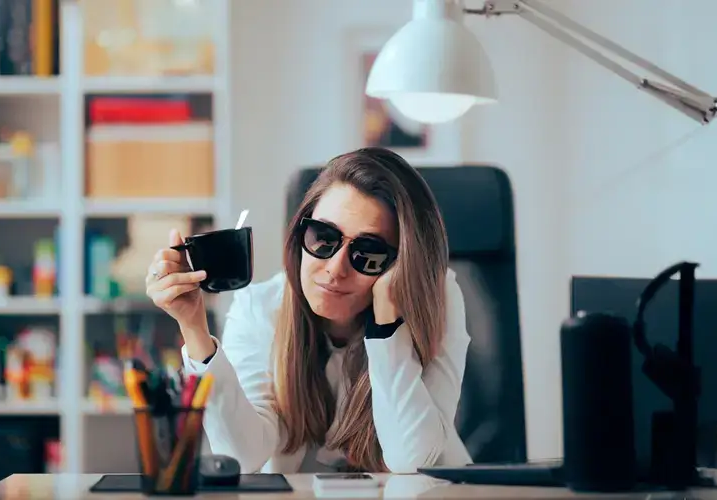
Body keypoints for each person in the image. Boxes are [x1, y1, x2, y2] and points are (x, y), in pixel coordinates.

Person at [144, 147, 472, 474]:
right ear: (300, 232)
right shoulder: (261, 308)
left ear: (401, 264)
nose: (335, 268)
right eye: (323, 238)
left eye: (368, 253)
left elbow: (411, 459)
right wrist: (193, 327)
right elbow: (240, 457)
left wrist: (387, 328)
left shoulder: (437, 300)